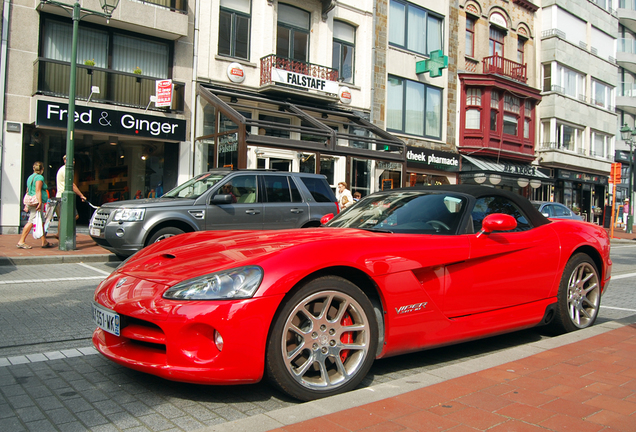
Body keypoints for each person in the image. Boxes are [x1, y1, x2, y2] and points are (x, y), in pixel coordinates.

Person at [18, 161, 53, 249]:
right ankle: (21, 241)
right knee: (32, 221)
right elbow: (38, 190)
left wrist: (26, 204)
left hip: (31, 201)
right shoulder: (39, 178)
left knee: (40, 221)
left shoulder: (30, 177)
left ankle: (44, 242)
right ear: (42, 169)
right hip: (36, 203)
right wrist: (40, 202)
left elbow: (28, 190)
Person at [52, 155, 86, 236]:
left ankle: (60, 233)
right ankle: (64, 232)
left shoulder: (62, 169)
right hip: (64, 197)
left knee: (62, 217)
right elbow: (72, 185)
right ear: (65, 161)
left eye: (73, 160)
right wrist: (81, 195)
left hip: (59, 196)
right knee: (74, 216)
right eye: (71, 160)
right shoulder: (66, 170)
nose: (73, 162)